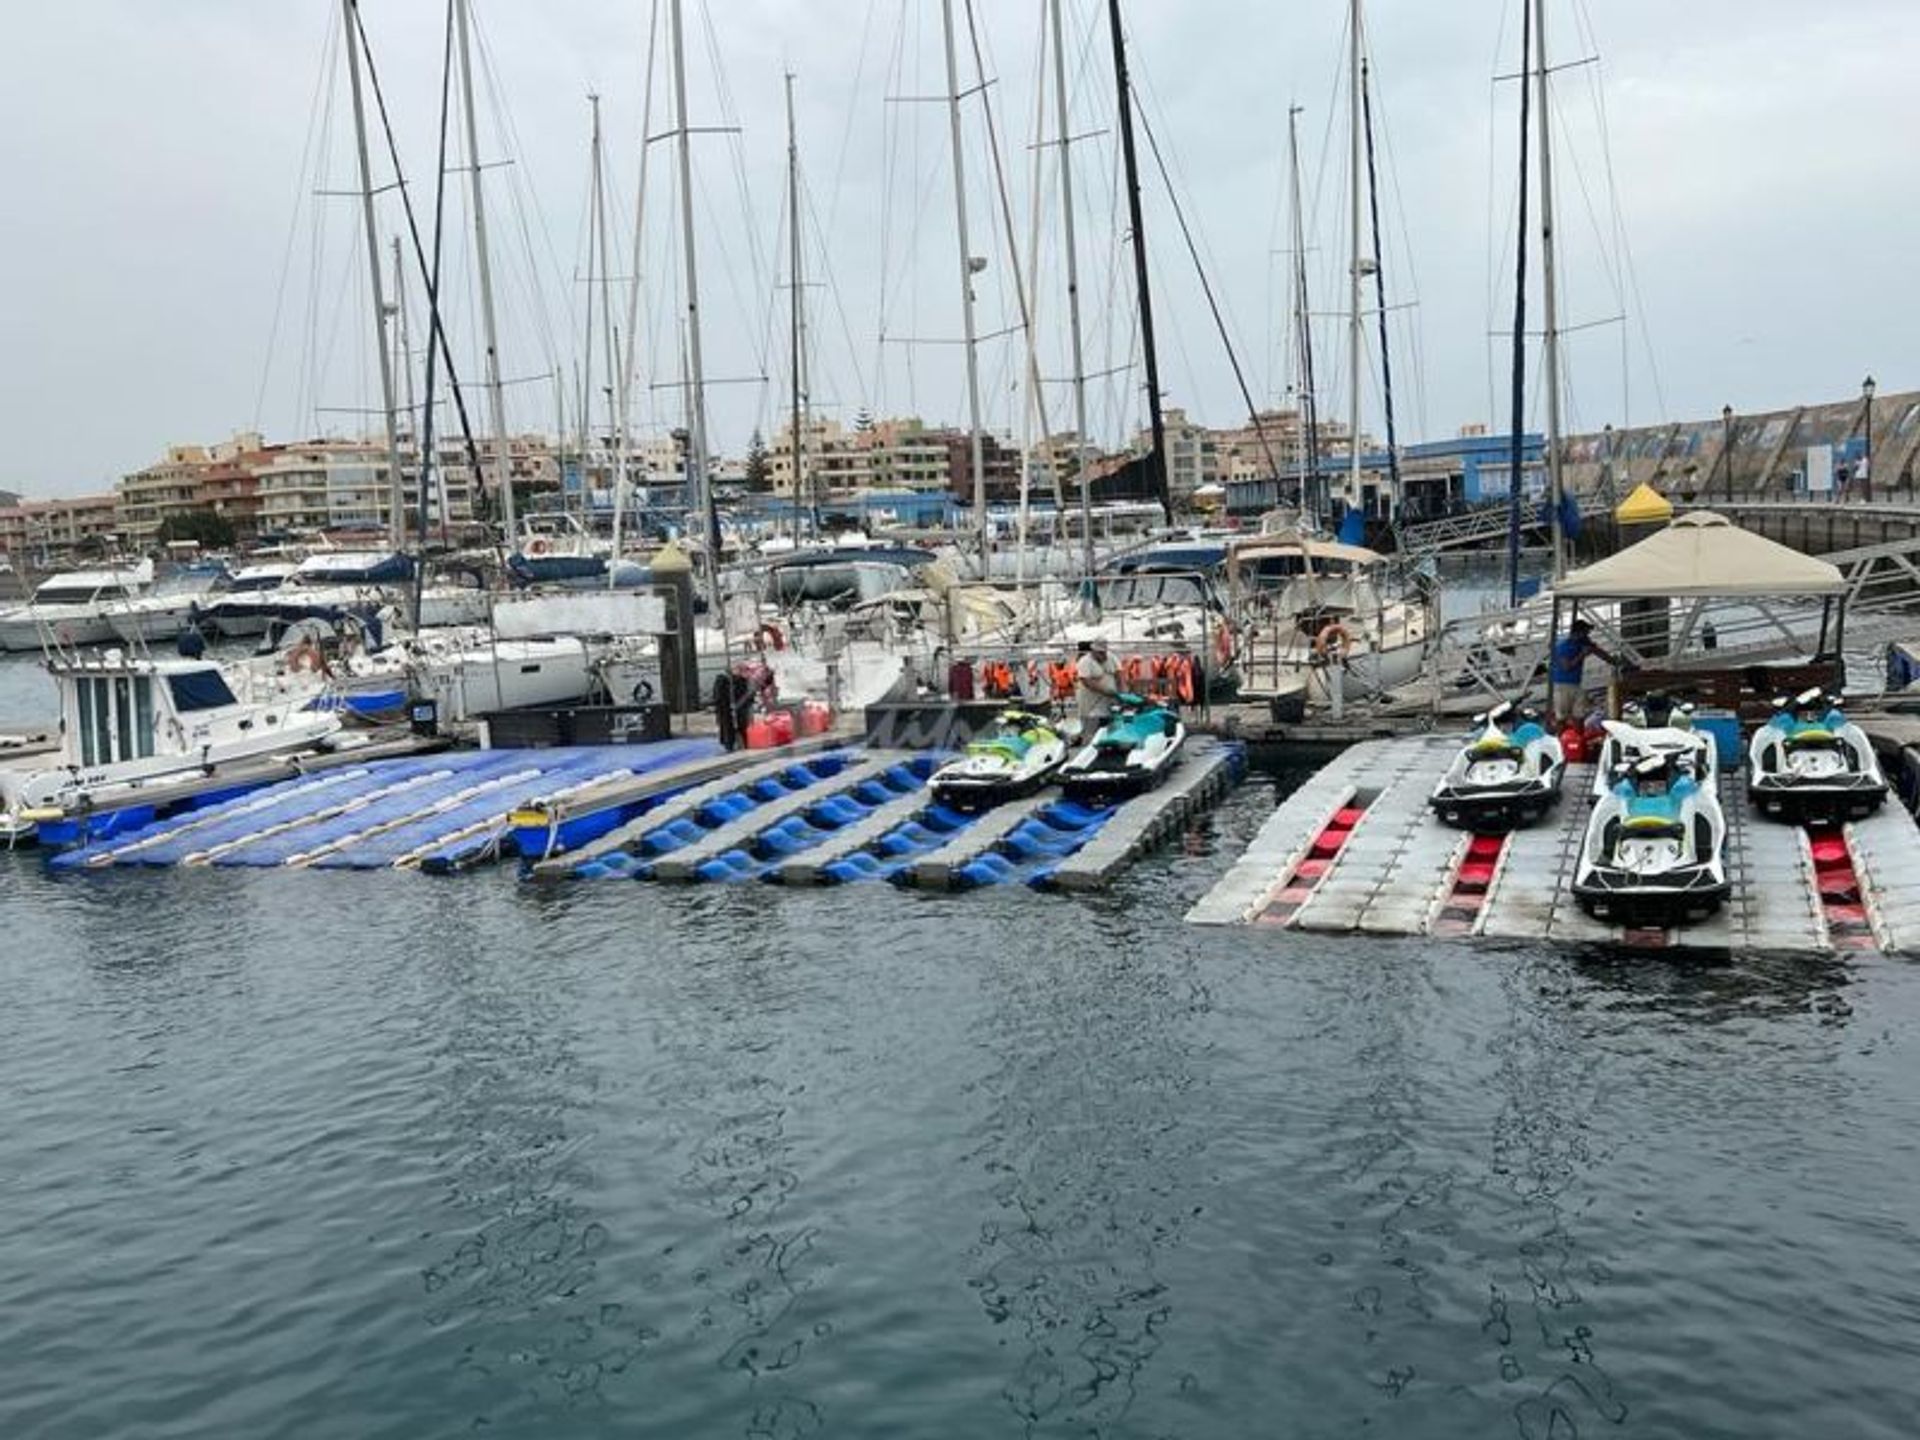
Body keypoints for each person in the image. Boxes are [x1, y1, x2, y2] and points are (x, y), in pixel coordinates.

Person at [1549, 617, 1612, 726]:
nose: (1588, 635)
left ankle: (1579, 738)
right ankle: (1561, 739)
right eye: (1586, 632)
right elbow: (1566, 667)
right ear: (1578, 633)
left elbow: (1598, 652)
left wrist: (1614, 661)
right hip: (1563, 685)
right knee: (1562, 718)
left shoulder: (1583, 643)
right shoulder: (1563, 647)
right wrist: (1582, 655)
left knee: (1579, 715)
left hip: (1576, 684)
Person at [1075, 639, 1119, 726]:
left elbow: (1119, 673)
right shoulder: (1085, 662)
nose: (1104, 655)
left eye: (1105, 652)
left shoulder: (1112, 657)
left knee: (1108, 727)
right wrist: (1106, 691)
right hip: (1091, 707)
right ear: (1093, 651)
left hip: (1108, 705)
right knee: (1092, 729)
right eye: (1101, 653)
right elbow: (1086, 681)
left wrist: (1121, 691)